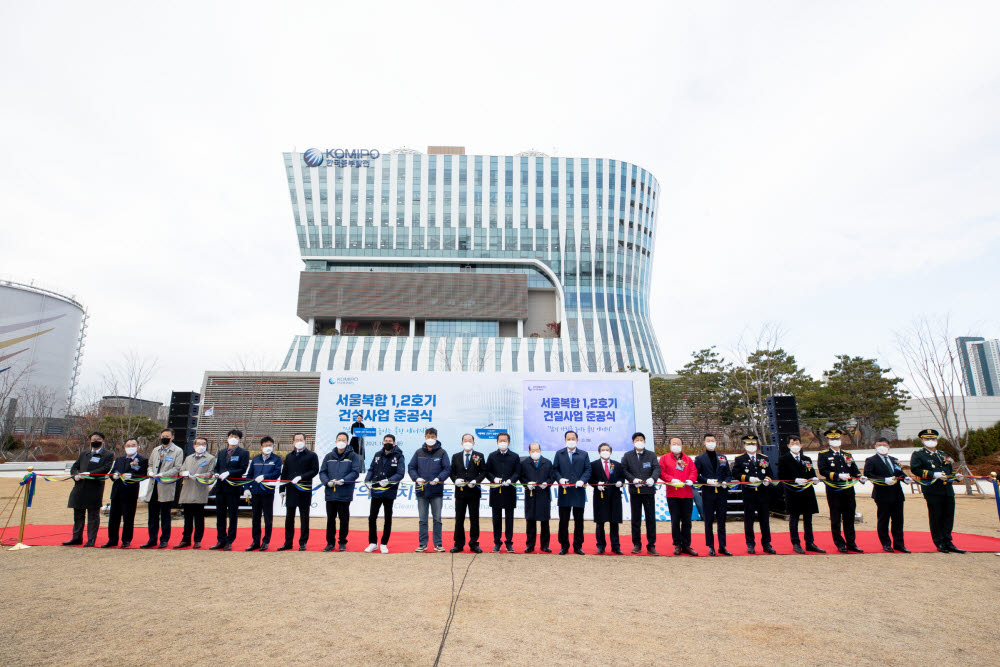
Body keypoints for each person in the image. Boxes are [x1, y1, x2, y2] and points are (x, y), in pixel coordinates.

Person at [910, 428, 965, 553]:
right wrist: (933, 474)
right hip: (933, 489)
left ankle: (948, 541)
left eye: (933, 439)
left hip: (947, 490)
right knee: (936, 516)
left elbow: (949, 470)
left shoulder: (942, 454)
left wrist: (956, 477)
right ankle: (939, 542)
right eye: (928, 439)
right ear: (922, 440)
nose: (931, 441)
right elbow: (916, 469)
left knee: (948, 516)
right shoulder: (919, 455)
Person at [817, 428, 865, 553]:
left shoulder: (847, 454)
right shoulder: (823, 454)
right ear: (828, 440)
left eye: (837, 439)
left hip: (848, 489)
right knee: (836, 517)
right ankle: (839, 543)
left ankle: (851, 542)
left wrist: (860, 476)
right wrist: (837, 475)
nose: (835, 441)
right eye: (832, 439)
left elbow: (854, 468)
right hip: (834, 489)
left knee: (849, 516)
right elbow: (823, 471)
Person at [63, 432, 115, 547]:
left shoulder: (108, 454)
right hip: (80, 487)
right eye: (93, 439)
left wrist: (90, 474)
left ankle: (91, 539)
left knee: (93, 516)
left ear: (103, 441)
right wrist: (75, 475)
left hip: (94, 488)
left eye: (98, 439)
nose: (95, 441)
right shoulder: (84, 453)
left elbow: (106, 468)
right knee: (78, 514)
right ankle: (76, 538)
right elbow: (75, 467)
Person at [777, 435, 825, 554]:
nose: (795, 445)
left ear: (801, 445)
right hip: (793, 492)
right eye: (792, 443)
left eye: (797, 443)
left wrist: (814, 478)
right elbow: (781, 476)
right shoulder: (784, 459)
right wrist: (794, 479)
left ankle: (810, 543)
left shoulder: (807, 459)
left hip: (807, 492)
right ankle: (796, 543)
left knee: (808, 519)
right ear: (788, 446)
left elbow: (811, 472)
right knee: (794, 518)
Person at [864, 437, 912, 553]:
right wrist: (884, 479)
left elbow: (899, 473)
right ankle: (886, 543)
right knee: (883, 520)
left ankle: (899, 544)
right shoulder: (871, 460)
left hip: (897, 494)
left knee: (898, 520)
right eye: (879, 444)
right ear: (875, 446)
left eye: (885, 445)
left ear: (889, 447)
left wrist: (905, 478)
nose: (882, 447)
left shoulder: (894, 460)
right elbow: (868, 474)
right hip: (882, 494)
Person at [408, 427, 451, 552]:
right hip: (421, 490)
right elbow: (411, 467)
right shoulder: (418, 452)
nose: (430, 439)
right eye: (428, 436)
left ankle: (438, 543)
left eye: (433, 437)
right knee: (423, 519)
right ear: (425, 437)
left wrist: (439, 478)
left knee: (437, 518)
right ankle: (422, 543)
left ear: (436, 437)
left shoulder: (442, 453)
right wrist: (417, 478)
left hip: (436, 490)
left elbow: (447, 469)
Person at [139, 429, 184, 549]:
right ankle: (152, 539)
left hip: (166, 486)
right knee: (152, 516)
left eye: (167, 436)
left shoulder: (178, 451)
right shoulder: (155, 450)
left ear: (172, 437)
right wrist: (150, 471)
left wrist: (163, 474)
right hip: (153, 487)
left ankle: (164, 539)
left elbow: (177, 468)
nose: (165, 438)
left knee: (165, 515)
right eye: (163, 436)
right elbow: (150, 464)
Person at [732, 434, 775, 554]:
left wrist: (767, 479)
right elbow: (735, 473)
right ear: (744, 445)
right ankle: (750, 544)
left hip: (763, 492)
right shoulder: (740, 459)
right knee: (749, 519)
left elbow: (770, 473)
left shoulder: (764, 458)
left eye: (753, 444)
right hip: (749, 492)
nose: (751, 446)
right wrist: (748, 478)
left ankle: (767, 543)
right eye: (748, 444)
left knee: (764, 519)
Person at [101, 437, 147, 548]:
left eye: (133, 445)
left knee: (128, 518)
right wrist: (114, 476)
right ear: (124, 447)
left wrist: (132, 476)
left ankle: (126, 540)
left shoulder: (142, 460)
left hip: (130, 492)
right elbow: (111, 473)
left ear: (138, 447)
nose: (130, 447)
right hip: (117, 492)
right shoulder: (119, 459)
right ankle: (112, 539)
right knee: (113, 518)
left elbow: (143, 476)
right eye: (128, 445)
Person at [320, 431, 362, 552]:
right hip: (330, 493)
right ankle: (330, 543)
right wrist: (326, 481)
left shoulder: (353, 456)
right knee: (330, 519)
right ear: (335, 441)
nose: (341, 442)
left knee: (344, 519)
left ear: (347, 442)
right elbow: (322, 472)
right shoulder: (328, 456)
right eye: (339, 439)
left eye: (343, 440)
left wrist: (344, 480)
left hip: (345, 492)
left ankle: (342, 542)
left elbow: (355, 472)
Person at [364, 433, 405, 553]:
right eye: (386, 440)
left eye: (390, 441)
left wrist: (389, 480)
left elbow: (400, 473)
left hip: (389, 491)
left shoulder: (399, 456)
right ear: (382, 442)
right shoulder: (377, 455)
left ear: (394, 443)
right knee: (372, 517)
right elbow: (371, 469)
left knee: (388, 518)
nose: (388, 442)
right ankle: (373, 543)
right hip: (376, 490)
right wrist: (367, 479)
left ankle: (383, 543)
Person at [620, 431, 660, 555]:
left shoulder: (651, 455)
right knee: (636, 519)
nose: (639, 442)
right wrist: (632, 479)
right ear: (633, 442)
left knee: (650, 519)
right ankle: (637, 544)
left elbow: (657, 468)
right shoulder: (627, 455)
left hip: (648, 491)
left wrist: (652, 479)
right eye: (637, 440)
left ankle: (651, 545)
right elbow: (624, 470)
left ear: (645, 442)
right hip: (635, 491)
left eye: (641, 440)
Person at [278, 432, 319, 551]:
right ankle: (288, 542)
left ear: (305, 441)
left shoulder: (311, 455)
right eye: (296, 440)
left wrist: (302, 477)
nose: (299, 441)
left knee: (304, 517)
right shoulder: (289, 456)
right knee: (289, 518)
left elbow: (315, 470)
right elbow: (284, 473)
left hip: (304, 490)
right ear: (293, 442)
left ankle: (303, 542)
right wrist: (282, 488)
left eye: (301, 439)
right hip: (291, 490)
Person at [174, 437, 217, 549]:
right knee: (187, 517)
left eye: (203, 444)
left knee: (199, 518)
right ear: (194, 446)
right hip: (187, 490)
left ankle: (197, 540)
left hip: (199, 490)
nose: (201, 445)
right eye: (198, 444)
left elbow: (210, 472)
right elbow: (181, 470)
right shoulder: (188, 458)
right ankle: (186, 539)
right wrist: (184, 473)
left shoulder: (210, 458)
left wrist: (201, 476)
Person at [552, 430, 591, 555]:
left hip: (578, 491)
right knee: (563, 520)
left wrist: (582, 480)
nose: (571, 440)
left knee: (579, 520)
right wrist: (559, 479)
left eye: (573, 438)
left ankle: (578, 545)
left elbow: (588, 469)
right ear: (565, 440)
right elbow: (555, 470)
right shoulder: (559, 454)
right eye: (568, 439)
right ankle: (564, 545)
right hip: (564, 491)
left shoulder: (583, 454)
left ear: (577, 440)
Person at [694, 433, 732, 556]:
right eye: (708, 440)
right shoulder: (700, 459)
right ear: (704, 443)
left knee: (722, 520)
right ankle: (711, 546)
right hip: (708, 493)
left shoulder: (722, 457)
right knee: (709, 520)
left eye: (713, 440)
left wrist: (726, 481)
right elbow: (696, 475)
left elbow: (728, 473)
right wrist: (707, 481)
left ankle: (722, 545)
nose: (711, 442)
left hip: (721, 492)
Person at [211, 429, 249, 551]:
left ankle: (229, 540)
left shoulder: (243, 453)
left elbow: (243, 469)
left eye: (236, 437)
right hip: (220, 487)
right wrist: (216, 474)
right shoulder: (221, 452)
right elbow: (217, 467)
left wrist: (229, 473)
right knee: (220, 515)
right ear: (227, 438)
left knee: (233, 515)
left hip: (233, 487)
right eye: (232, 436)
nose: (233, 438)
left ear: (239, 439)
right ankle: (220, 539)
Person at [659, 437, 698, 556]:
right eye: (674, 443)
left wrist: (691, 480)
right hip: (672, 493)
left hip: (687, 493)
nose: (676, 445)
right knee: (675, 520)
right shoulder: (664, 458)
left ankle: (686, 544)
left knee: (687, 521)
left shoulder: (688, 459)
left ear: (682, 445)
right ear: (670, 445)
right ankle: (677, 544)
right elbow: (661, 472)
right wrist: (671, 479)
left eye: (678, 443)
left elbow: (693, 471)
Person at [244, 436, 283, 551]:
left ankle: (266, 541)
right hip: (255, 492)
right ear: (261, 447)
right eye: (266, 445)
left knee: (267, 518)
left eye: (270, 445)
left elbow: (276, 473)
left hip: (268, 492)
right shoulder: (255, 459)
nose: (268, 447)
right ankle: (255, 541)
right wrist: (246, 488)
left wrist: (265, 477)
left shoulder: (276, 459)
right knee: (255, 518)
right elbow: (250, 475)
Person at [450, 433, 487, 553]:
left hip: (474, 492)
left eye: (470, 440)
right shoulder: (455, 456)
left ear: (473, 443)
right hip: (460, 493)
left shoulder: (479, 456)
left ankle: (474, 543)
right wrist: (455, 480)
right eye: (465, 440)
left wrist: (476, 481)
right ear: (461, 443)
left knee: (474, 518)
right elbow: (452, 472)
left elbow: (483, 472)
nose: (467, 442)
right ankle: (458, 544)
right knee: (459, 518)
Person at [487, 432, 520, 553]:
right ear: (497, 442)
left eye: (504, 440)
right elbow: (487, 471)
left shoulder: (515, 456)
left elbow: (517, 472)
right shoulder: (492, 456)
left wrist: (511, 480)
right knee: (496, 519)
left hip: (509, 490)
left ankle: (509, 542)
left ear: (509, 442)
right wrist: (494, 479)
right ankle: (497, 542)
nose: (502, 443)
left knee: (509, 518)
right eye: (500, 441)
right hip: (496, 491)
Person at [589, 443, 624, 555]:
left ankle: (616, 546)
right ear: (599, 452)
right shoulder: (593, 465)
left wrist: (621, 483)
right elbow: (590, 479)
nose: (605, 451)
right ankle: (600, 546)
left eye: (607, 449)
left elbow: (622, 477)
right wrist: (596, 484)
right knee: (600, 522)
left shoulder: (617, 465)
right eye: (603, 450)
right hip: (600, 496)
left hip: (614, 496)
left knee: (614, 522)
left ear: (611, 452)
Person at [520, 442, 555, 553]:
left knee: (544, 522)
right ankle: (530, 545)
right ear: (529, 451)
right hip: (530, 495)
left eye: (537, 450)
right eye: (533, 450)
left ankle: (545, 545)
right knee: (530, 521)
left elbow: (552, 476)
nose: (535, 452)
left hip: (543, 495)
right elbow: (521, 477)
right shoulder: (524, 463)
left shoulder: (547, 462)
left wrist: (547, 483)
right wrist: (526, 483)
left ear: (540, 450)